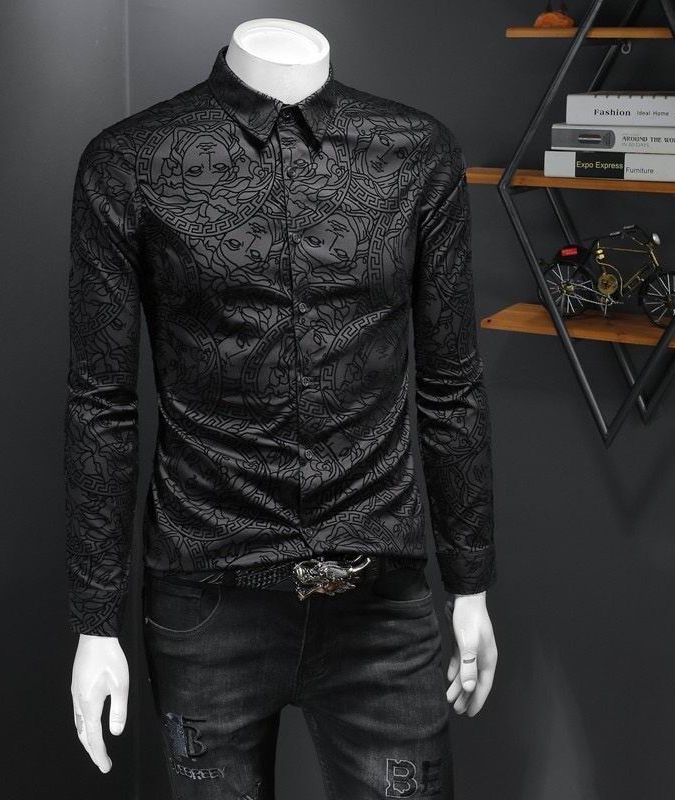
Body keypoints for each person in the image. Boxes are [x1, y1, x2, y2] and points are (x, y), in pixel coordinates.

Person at [66, 18, 499, 799]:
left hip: (380, 600)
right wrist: (96, 619)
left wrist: (471, 582)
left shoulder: (416, 153)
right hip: (208, 598)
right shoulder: (131, 160)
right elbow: (102, 402)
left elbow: (451, 382)